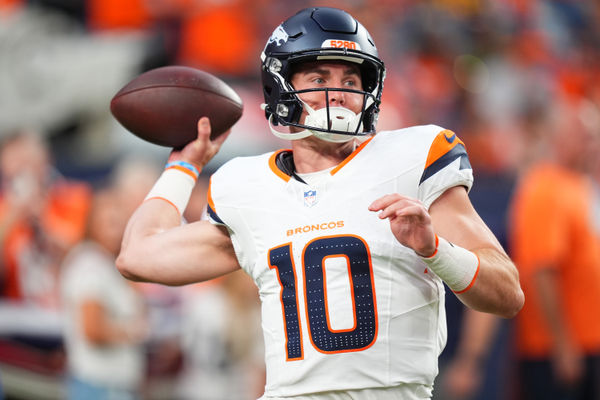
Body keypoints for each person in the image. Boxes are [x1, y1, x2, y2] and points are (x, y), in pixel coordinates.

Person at [117, 7, 523, 399]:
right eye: (318, 76)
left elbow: (507, 295)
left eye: (351, 81)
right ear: (282, 86)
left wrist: (436, 249)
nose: (339, 93)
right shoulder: (247, 188)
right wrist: (183, 167)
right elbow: (137, 256)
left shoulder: (414, 158)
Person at [509, 99, 600, 400]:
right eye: (586, 136)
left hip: (588, 341)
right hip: (559, 349)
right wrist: (562, 343)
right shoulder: (545, 187)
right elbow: (541, 271)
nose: (592, 145)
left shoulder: (580, 184)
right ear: (561, 138)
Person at [60, 187, 148, 400]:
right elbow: (92, 329)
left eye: (121, 222)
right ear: (93, 223)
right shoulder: (89, 262)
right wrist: (134, 332)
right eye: (110, 222)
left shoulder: (111, 263)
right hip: (98, 386)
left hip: (117, 385)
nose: (117, 230)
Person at [0, 130, 90, 308]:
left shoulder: (75, 197)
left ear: (45, 160)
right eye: (15, 165)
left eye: (27, 161)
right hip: (18, 314)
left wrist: (41, 218)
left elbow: (84, 253)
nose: (22, 171)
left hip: (70, 306)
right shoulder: (5, 209)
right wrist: (12, 216)